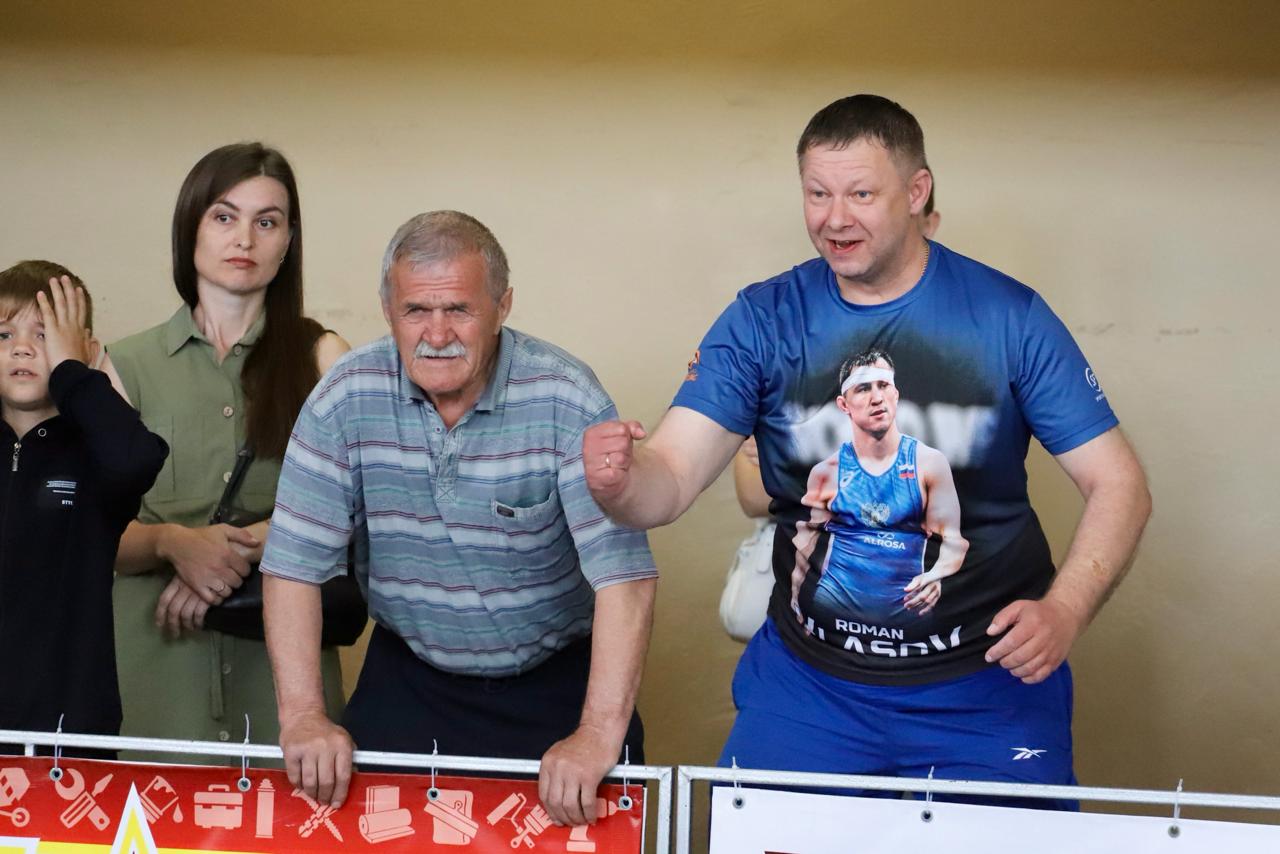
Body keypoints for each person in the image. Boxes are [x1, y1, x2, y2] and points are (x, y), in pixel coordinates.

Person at [584, 94, 1150, 804]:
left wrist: (1065, 609)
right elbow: (667, 477)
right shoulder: (763, 319)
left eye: (860, 194)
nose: (834, 218)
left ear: (916, 192)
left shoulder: (1008, 317)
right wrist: (620, 482)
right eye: (817, 193)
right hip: (811, 688)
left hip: (986, 687)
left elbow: (1119, 484)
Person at [259, 211, 657, 827]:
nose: (437, 333)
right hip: (409, 679)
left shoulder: (567, 396)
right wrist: (304, 716)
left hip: (556, 685)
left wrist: (597, 734)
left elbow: (625, 579)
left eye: (459, 310)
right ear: (388, 310)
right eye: (416, 310)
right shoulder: (344, 395)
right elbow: (292, 566)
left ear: (502, 307)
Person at [108, 143, 350, 753]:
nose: (244, 238)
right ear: (190, 226)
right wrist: (171, 543)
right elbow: (86, 531)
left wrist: (233, 553)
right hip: (150, 669)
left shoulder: (324, 358)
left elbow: (362, 509)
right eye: (224, 216)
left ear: (288, 241)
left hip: (283, 678)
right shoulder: (121, 366)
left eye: (267, 221)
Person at [0, 263, 167, 753]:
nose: (23, 348)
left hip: (69, 734)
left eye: (45, 335)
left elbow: (137, 461)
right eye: (4, 334)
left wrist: (74, 374)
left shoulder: (94, 454)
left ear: (85, 351)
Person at [791, 348, 966, 628]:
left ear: (895, 394)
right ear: (843, 404)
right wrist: (796, 607)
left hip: (908, 610)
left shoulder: (928, 464)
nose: (877, 398)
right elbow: (806, 549)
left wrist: (937, 575)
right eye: (863, 388)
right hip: (833, 607)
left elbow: (952, 542)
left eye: (883, 385)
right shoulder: (826, 472)